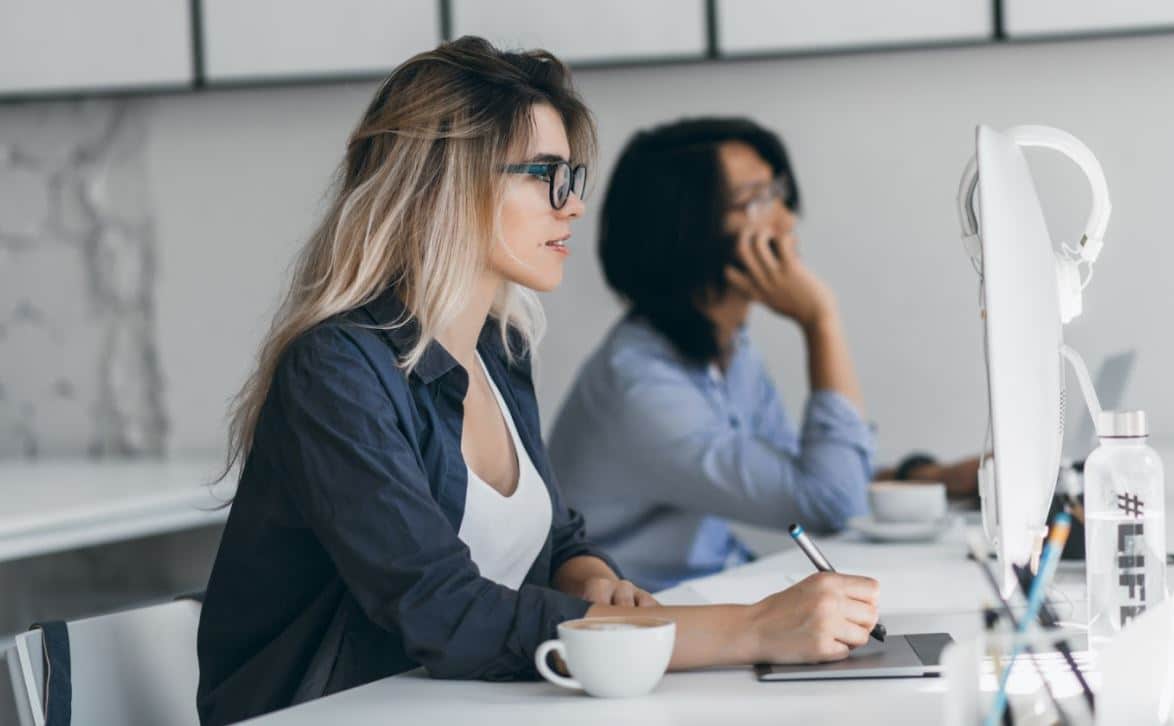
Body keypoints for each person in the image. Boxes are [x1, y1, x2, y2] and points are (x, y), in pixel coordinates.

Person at [196, 42, 880, 725]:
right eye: (546, 175)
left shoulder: (500, 348)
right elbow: (444, 611)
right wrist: (750, 629)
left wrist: (592, 580)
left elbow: (554, 537)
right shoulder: (337, 370)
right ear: (448, 183)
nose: (573, 205)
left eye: (572, 177)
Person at [549, 118, 978, 591]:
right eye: (757, 200)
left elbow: (805, 472)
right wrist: (821, 321)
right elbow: (830, 503)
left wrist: (935, 478)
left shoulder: (727, 350)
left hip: (710, 592)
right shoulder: (641, 389)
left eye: (778, 192)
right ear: (683, 230)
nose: (786, 220)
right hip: (650, 628)